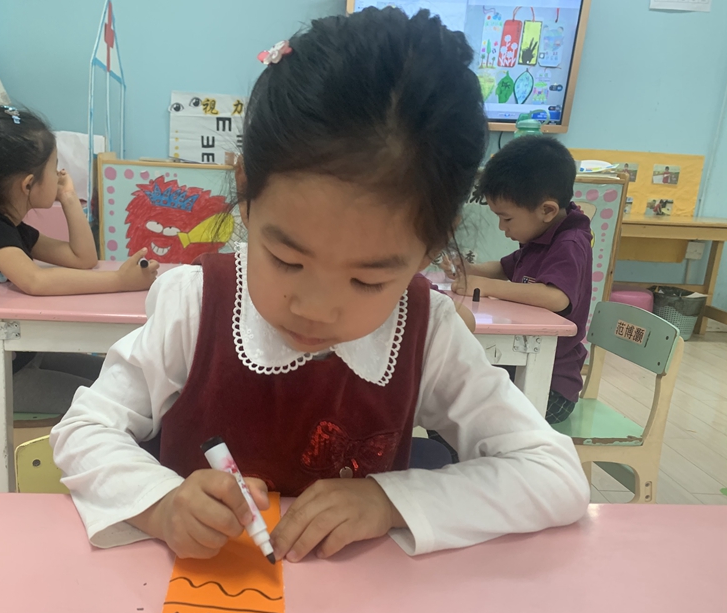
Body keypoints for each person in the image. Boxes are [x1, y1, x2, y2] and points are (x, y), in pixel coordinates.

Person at [52, 9, 588, 562]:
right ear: (247, 194)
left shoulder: (428, 335)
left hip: (362, 608)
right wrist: (161, 504)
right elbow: (84, 429)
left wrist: (390, 501)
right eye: (286, 260)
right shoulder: (197, 304)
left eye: (367, 280)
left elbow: (554, 474)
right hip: (196, 597)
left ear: (430, 246)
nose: (315, 308)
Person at [0, 105, 158, 414]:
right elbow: (35, 280)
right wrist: (120, 281)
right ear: (28, 184)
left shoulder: (11, 229)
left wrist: (68, 198)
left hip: (21, 358)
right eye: (54, 167)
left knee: (122, 380)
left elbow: (83, 258)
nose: (59, 175)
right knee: (120, 403)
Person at [448, 136, 592, 424]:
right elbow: (504, 268)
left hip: (551, 389)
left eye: (507, 218)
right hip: (521, 371)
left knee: (463, 415)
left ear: (547, 210)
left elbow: (556, 297)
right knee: (453, 405)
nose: (502, 227)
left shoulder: (570, 242)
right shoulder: (541, 237)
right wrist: (469, 269)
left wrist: (487, 287)